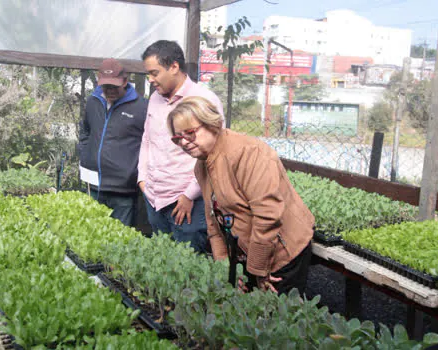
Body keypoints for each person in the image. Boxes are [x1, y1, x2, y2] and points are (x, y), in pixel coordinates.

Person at [167, 96, 315, 295]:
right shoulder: (202, 165)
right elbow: (214, 221)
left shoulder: (249, 153)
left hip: (282, 250)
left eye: (190, 133)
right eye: (178, 138)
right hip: (249, 249)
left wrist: (258, 271)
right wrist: (225, 267)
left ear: (212, 124)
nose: (184, 142)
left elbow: (267, 216)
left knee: (279, 317)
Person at [138, 40, 224, 253]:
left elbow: (214, 153)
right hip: (154, 198)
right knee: (163, 263)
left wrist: (189, 195)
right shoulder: (155, 99)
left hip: (187, 204)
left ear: (174, 67)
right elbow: (147, 140)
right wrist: (142, 179)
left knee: (190, 268)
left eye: (155, 73)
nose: (150, 80)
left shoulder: (204, 99)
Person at [78, 58, 147, 226]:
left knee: (120, 243)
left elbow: (149, 145)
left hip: (123, 191)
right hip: (93, 186)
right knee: (90, 238)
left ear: (125, 81)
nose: (110, 90)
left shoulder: (141, 107)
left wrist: (132, 172)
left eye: (114, 86)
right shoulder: (93, 101)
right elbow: (86, 131)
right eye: (106, 86)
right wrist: (86, 155)